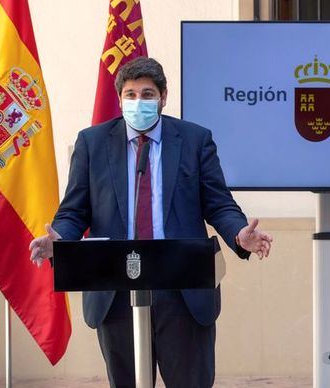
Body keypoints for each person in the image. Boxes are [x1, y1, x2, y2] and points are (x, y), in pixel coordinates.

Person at [29, 57, 273, 388]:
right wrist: (58, 239)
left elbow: (218, 203)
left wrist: (238, 233)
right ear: (119, 99)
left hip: (182, 288)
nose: (138, 102)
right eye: (130, 95)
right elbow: (75, 211)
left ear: (163, 97)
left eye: (147, 94)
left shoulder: (194, 140)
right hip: (116, 290)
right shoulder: (93, 143)